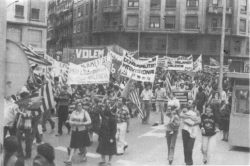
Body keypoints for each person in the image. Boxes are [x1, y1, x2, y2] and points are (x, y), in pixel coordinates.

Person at [180, 100, 201, 166]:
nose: (187, 104)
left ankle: (189, 162)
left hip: (193, 130)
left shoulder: (197, 112)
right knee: (185, 146)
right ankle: (187, 162)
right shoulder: (184, 110)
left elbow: (199, 121)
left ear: (193, 105)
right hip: (185, 129)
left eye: (189, 103)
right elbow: (181, 115)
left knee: (190, 147)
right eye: (187, 102)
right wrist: (189, 117)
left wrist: (192, 124)